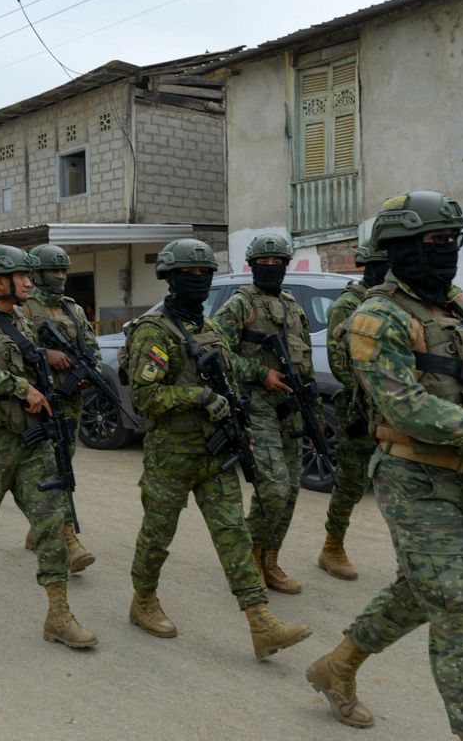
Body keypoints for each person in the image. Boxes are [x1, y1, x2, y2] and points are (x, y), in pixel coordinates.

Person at [305, 192, 463, 741]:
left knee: (421, 590)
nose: (447, 251)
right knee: (461, 609)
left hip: (459, 476)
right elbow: (405, 406)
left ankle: (338, 665)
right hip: (413, 477)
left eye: (453, 240)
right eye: (435, 242)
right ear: (398, 248)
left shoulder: (452, 306)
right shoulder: (375, 317)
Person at [124, 238, 311, 660]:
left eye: (205, 274)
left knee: (232, 535)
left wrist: (257, 380)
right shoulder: (154, 332)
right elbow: (145, 397)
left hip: (215, 452)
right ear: (170, 279)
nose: (199, 281)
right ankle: (143, 600)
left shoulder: (208, 328)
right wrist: (200, 398)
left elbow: (231, 369)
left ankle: (261, 622)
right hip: (171, 455)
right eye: (190, 274)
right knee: (157, 536)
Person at [0, 244, 96, 649]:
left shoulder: (24, 322)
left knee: (50, 520)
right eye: (22, 276)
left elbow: (33, 363)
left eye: (29, 276)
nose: (30, 281)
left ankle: (58, 615)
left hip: (34, 439)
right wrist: (20, 386)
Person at [214, 233, 314, 594]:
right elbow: (217, 355)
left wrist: (309, 398)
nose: (270, 269)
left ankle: (268, 558)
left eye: (277, 264)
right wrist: (261, 373)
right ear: (252, 267)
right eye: (263, 264)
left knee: (289, 491)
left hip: (292, 408)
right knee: (272, 488)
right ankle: (246, 557)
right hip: (257, 407)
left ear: (286, 267)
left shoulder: (292, 305)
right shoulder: (240, 305)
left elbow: (304, 357)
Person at [19, 243, 97, 572]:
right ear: (37, 273)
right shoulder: (23, 308)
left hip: (71, 400)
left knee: (65, 461)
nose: (61, 276)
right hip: (40, 401)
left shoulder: (72, 309)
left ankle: (39, 528)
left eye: (64, 270)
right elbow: (14, 348)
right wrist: (45, 356)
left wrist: (85, 374)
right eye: (55, 270)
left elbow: (89, 344)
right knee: (55, 469)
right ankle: (68, 539)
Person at [317, 244, 390, 580]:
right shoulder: (349, 305)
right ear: (369, 268)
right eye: (382, 266)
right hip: (360, 411)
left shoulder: (396, 304)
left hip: (396, 410)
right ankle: (333, 546)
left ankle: (421, 556)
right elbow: (339, 364)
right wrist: (378, 393)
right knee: (351, 482)